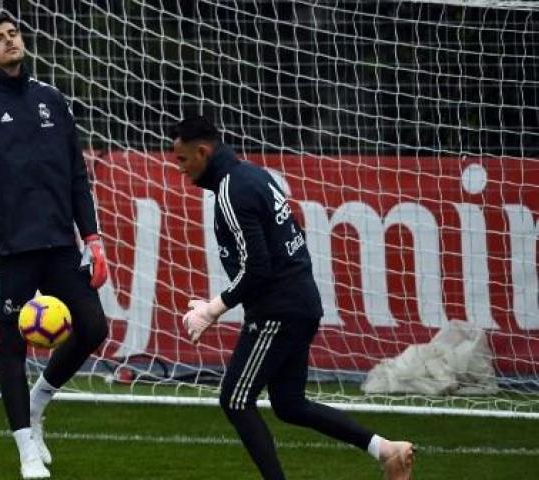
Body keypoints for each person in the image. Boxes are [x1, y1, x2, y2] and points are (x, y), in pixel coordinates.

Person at [171, 116, 414, 480]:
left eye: (183, 160)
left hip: (278, 310)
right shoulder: (254, 175)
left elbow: (258, 268)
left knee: (235, 399)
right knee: (288, 404)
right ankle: (386, 450)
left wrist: (212, 309)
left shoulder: (231, 191)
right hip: (299, 302)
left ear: (203, 152)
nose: (181, 170)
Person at [0, 14, 109, 479]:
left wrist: (92, 238)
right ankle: (26, 451)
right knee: (12, 346)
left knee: (94, 327)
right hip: (5, 249)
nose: (9, 41)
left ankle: (38, 404)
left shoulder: (51, 100)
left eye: (13, 34)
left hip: (58, 242)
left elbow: (78, 176)